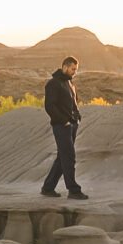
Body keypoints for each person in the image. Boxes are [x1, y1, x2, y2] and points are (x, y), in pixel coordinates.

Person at [40, 56, 87, 199]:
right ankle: (73, 190)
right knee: (69, 157)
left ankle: (48, 188)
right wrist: (63, 121)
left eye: (76, 70)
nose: (75, 72)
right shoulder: (54, 84)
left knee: (62, 158)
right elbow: (50, 106)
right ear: (65, 67)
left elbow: (74, 103)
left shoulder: (69, 83)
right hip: (61, 126)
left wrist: (77, 118)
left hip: (72, 126)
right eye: (73, 69)